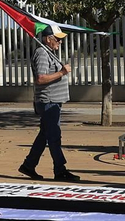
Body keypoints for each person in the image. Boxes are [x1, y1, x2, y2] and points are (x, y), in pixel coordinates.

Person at [18, 28, 79, 183]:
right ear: (47, 39)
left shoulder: (48, 52)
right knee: (53, 136)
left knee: (45, 135)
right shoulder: (42, 53)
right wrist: (62, 73)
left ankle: (28, 165)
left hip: (54, 101)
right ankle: (60, 169)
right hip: (48, 102)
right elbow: (40, 78)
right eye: (57, 39)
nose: (60, 42)